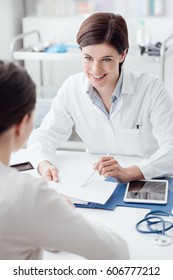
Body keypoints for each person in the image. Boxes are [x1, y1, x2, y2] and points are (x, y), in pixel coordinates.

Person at [0, 61, 129, 260]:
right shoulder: (27, 195)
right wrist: (63, 214)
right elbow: (116, 253)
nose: (96, 68)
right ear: (22, 124)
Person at [27, 12, 173, 183]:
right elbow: (43, 137)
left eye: (106, 59)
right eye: (88, 58)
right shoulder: (72, 88)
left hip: (145, 181)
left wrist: (130, 173)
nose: (96, 69)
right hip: (95, 182)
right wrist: (44, 163)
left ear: (123, 55)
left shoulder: (151, 89)